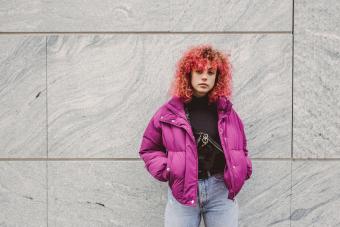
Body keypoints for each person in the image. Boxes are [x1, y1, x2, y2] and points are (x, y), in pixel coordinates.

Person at [139, 44, 253, 227]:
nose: (204, 77)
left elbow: (241, 148)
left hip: (220, 191)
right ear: (188, 74)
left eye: (211, 72)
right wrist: (168, 169)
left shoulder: (227, 112)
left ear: (218, 77)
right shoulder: (169, 113)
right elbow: (149, 148)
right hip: (182, 191)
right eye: (199, 71)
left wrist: (243, 168)